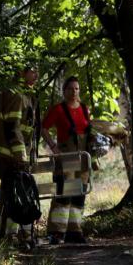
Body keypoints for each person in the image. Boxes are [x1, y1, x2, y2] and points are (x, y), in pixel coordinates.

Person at [0, 66, 37, 250]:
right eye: (32, 71)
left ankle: (9, 237)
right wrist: (20, 155)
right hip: (8, 156)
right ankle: (5, 238)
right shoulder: (15, 94)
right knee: (12, 196)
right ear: (22, 72)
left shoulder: (24, 95)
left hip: (14, 156)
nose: (36, 75)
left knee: (12, 196)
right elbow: (12, 127)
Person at [41, 76, 92, 244]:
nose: (74, 92)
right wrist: (53, 147)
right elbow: (43, 128)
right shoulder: (58, 109)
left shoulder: (85, 109)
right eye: (70, 89)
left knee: (80, 193)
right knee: (64, 192)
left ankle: (74, 231)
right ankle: (56, 232)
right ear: (64, 91)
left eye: (76, 89)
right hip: (66, 157)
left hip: (83, 157)